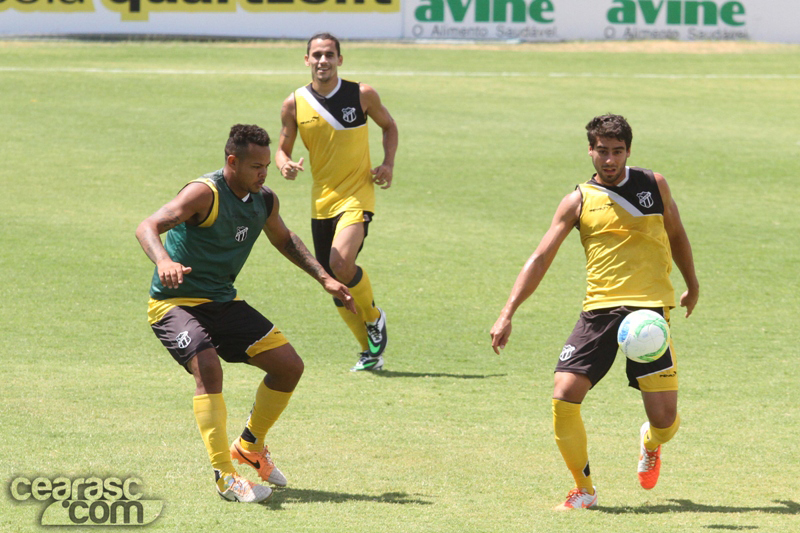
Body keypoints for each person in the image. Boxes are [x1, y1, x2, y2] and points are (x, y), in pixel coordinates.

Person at [136, 124, 356, 503]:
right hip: (174, 304)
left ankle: (250, 445)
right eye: (256, 166)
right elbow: (148, 226)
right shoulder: (203, 194)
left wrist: (324, 278)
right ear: (232, 161)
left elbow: (285, 239)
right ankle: (225, 476)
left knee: (288, 366)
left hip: (223, 302)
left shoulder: (263, 200)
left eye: (267, 166)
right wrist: (164, 260)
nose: (264, 173)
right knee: (208, 368)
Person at [490, 114, 699, 510]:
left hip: (649, 316)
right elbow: (540, 257)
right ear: (590, 150)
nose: (609, 159)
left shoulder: (654, 185)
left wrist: (693, 283)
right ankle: (584, 490)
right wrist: (508, 311)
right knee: (564, 394)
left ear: (628, 151)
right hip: (599, 311)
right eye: (602, 151)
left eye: (617, 151)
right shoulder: (578, 200)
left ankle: (650, 442)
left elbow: (676, 233)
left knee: (665, 423)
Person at [276, 32, 399, 372]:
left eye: (329, 54)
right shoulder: (294, 103)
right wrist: (284, 164)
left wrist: (388, 164)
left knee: (340, 264)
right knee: (333, 283)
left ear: (340, 60)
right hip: (321, 202)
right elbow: (282, 149)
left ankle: (373, 317)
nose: (323, 60)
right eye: (316, 55)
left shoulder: (361, 94)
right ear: (306, 60)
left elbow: (389, 126)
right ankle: (369, 353)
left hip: (358, 194)